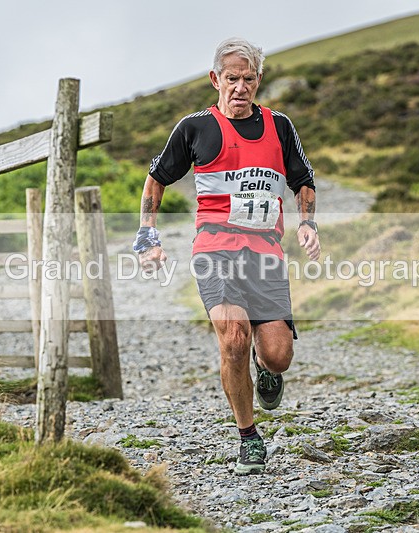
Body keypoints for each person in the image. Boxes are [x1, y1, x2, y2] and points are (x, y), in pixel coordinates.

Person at [133, 37, 320, 475]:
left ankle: (266, 368)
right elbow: (156, 180)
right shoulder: (195, 128)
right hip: (215, 250)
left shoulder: (280, 126)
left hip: (266, 253)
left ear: (259, 80)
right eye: (231, 78)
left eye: (248, 78)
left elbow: (303, 180)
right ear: (215, 79)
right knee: (233, 337)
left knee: (278, 354)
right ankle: (248, 437)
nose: (240, 87)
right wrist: (147, 233)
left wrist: (308, 223)